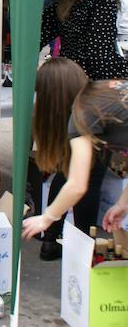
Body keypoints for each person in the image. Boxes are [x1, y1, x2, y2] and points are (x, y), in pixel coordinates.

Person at [22, 59, 126, 243]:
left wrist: (46, 218)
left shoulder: (83, 113)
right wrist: (122, 204)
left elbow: (77, 185)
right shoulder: (102, 92)